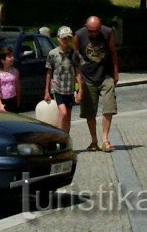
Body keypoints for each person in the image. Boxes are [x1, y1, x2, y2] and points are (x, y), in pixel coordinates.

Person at [75, 14, 119, 152]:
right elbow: (75, 58)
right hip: (87, 78)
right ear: (86, 27)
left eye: (96, 30)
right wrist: (77, 83)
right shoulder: (78, 35)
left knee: (109, 107)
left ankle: (105, 140)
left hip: (105, 76)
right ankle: (94, 140)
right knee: (90, 112)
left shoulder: (107, 32)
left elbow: (113, 53)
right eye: (91, 31)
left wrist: (116, 72)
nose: (94, 33)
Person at [45, 24, 82, 136]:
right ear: (58, 38)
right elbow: (49, 72)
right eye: (64, 38)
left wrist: (79, 90)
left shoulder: (74, 53)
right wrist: (46, 91)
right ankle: (60, 137)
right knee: (63, 112)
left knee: (68, 115)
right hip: (58, 88)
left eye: (68, 38)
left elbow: (78, 73)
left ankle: (66, 137)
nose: (66, 40)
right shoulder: (53, 54)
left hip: (69, 89)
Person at [0, 46, 20, 112]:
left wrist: (18, 101)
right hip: (3, 100)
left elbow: (17, 87)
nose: (12, 58)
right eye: (9, 57)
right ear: (2, 60)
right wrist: (0, 105)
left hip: (13, 99)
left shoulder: (15, 71)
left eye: (12, 56)